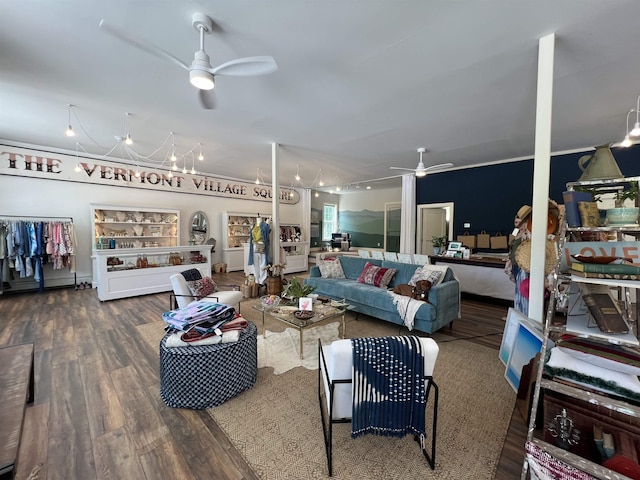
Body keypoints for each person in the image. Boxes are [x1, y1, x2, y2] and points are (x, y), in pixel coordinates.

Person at [248, 215, 271, 284]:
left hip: (262, 245)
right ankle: (257, 280)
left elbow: (267, 235)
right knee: (255, 264)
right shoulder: (253, 225)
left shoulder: (265, 224)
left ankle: (262, 281)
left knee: (263, 263)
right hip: (254, 245)